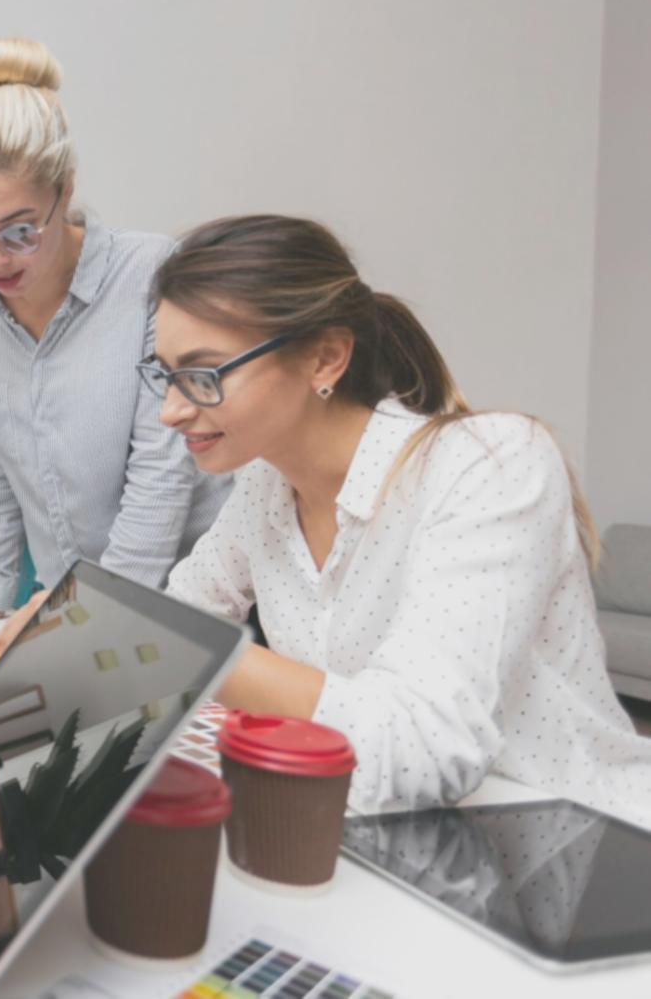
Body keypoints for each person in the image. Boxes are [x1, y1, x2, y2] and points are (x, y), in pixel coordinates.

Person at [146, 214, 651, 824]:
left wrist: (182, 650)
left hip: (576, 846)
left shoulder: (491, 463)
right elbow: (175, 619)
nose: (171, 411)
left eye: (203, 375)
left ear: (326, 359)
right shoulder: (264, 488)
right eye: (167, 376)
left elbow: (420, 749)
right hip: (395, 838)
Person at [0, 37, 230, 623]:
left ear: (63, 191)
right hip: (70, 597)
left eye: (19, 232)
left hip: (184, 599)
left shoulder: (146, 273)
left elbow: (163, 468)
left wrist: (95, 613)